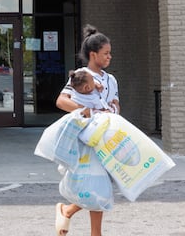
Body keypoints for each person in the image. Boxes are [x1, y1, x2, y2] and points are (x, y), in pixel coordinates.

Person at [54, 24, 120, 236]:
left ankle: (68, 210)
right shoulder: (82, 76)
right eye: (106, 53)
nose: (109, 57)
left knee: (97, 184)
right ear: (93, 54)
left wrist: (114, 113)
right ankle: (95, 233)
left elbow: (116, 104)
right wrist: (88, 111)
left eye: (110, 53)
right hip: (87, 139)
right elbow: (62, 101)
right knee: (97, 184)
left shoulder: (111, 79)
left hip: (107, 136)